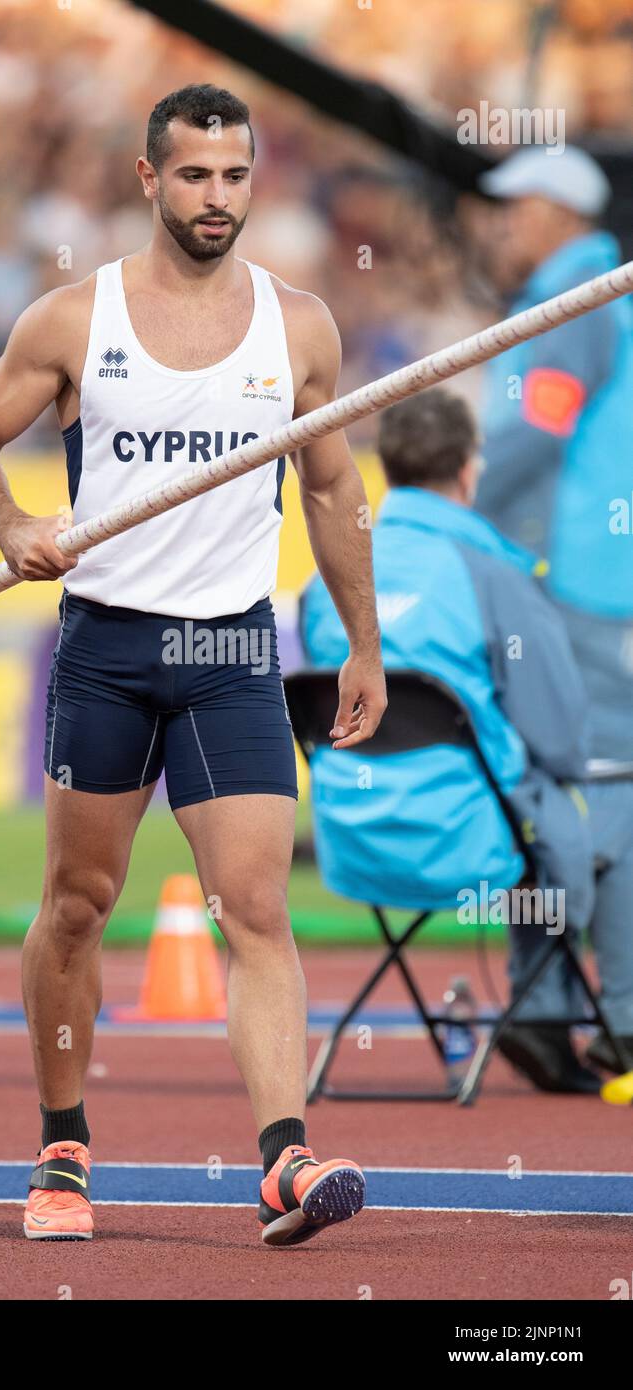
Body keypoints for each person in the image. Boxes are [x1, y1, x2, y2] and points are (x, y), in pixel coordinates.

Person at [0, 84, 386, 1245]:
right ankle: (63, 1146)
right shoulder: (73, 322)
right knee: (78, 908)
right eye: (194, 176)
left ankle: (285, 1159)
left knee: (257, 907)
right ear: (149, 179)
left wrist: (361, 646)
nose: (216, 198)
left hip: (232, 648)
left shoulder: (299, 327)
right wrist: (12, 526)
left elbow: (334, 491)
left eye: (235, 177)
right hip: (108, 647)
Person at [300, 387, 633, 1093]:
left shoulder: (321, 580)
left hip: (355, 838)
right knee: (601, 802)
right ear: (469, 468)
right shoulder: (494, 575)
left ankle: (544, 1016)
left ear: (387, 465)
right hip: (469, 844)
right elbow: (564, 738)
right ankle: (618, 1027)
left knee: (524, 803)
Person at [473, 148, 633, 1074]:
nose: (501, 224)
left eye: (517, 207)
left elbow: (541, 427)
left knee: (590, 780)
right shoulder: (579, 289)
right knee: (591, 777)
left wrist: (456, 508)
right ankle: (578, 1005)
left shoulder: (579, 291)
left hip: (584, 579)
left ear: (563, 214)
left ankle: (559, 1001)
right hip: (582, 576)